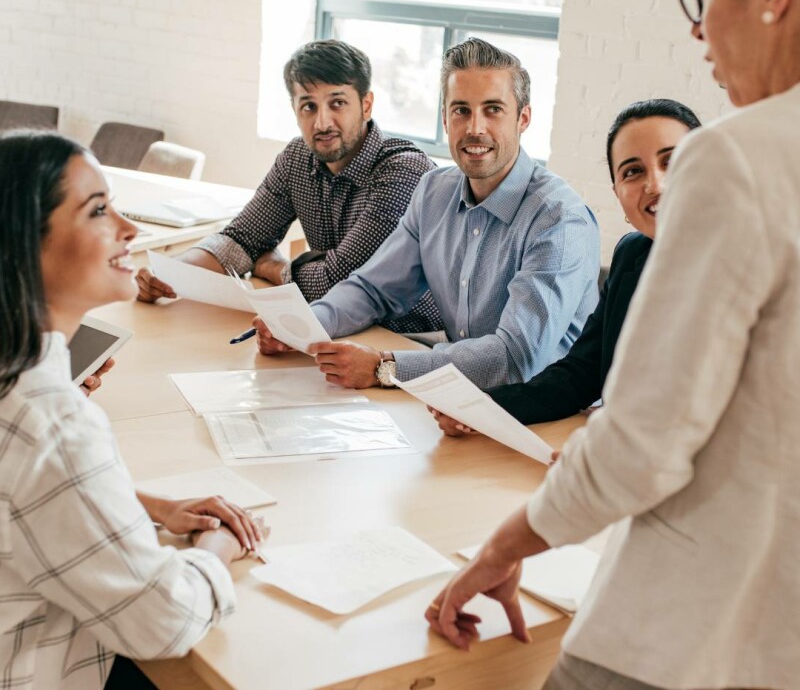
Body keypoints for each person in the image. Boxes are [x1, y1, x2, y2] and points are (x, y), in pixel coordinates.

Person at [425, 0, 800, 688]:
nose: (698, 27)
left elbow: (646, 443)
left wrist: (502, 548)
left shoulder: (738, 159)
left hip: (690, 624)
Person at [0, 131, 264, 690]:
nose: (130, 229)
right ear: (26, 243)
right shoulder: (52, 422)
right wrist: (218, 549)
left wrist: (145, 504)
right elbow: (161, 621)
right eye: (98, 211)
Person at [255, 38, 600, 390]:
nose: (475, 128)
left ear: (523, 118)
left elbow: (517, 357)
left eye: (493, 109)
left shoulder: (558, 219)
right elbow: (374, 289)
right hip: (461, 400)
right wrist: (301, 325)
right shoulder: (434, 191)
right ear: (445, 119)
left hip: (549, 414)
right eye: (461, 110)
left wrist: (385, 368)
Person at [432, 99, 701, 436]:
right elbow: (580, 374)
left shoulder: (757, 265)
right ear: (618, 193)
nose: (655, 185)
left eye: (672, 161)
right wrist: (484, 409)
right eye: (633, 171)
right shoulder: (633, 254)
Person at [135, 39, 442, 334]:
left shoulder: (402, 171)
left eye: (337, 103)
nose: (322, 123)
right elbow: (241, 239)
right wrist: (170, 273)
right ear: (294, 108)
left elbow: (340, 282)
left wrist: (277, 268)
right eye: (308, 106)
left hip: (412, 337)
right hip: (337, 327)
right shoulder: (298, 158)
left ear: (366, 104)